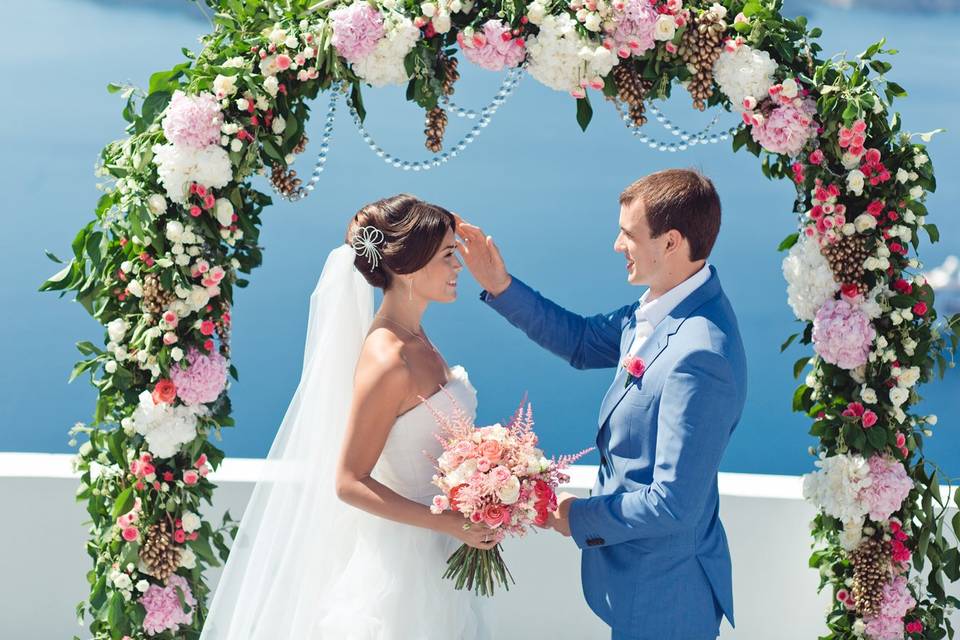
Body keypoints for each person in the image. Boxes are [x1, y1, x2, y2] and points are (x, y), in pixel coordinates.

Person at [457, 168, 748, 640]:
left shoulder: (700, 354)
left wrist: (575, 517)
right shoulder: (664, 307)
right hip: (639, 580)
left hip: (666, 594)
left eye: (628, 234)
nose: (617, 245)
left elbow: (674, 506)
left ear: (671, 242)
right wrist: (501, 284)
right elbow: (581, 341)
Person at [200, 194, 491, 639]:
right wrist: (447, 521)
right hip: (401, 570)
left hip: (438, 552)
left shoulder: (418, 337)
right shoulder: (389, 359)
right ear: (408, 265)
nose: (459, 267)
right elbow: (349, 481)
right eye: (449, 255)